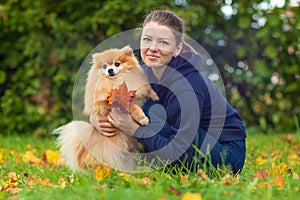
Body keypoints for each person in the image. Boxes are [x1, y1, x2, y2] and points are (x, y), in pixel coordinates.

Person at [90, 10, 246, 174]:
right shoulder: (141, 73)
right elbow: (107, 96)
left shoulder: (189, 85)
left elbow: (181, 149)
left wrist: (136, 130)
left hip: (226, 155)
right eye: (147, 40)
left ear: (177, 48)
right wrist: (97, 119)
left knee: (145, 109)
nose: (152, 48)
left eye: (163, 42)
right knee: (126, 100)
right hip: (184, 139)